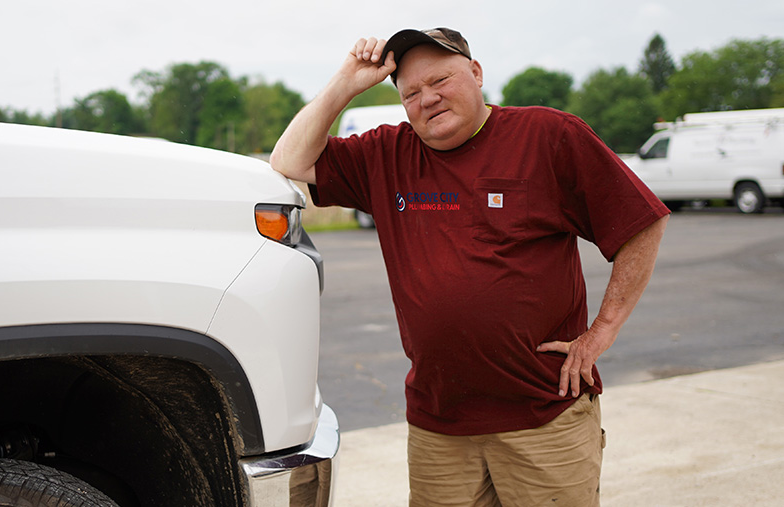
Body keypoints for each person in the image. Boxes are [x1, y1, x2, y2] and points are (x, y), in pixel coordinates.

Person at [270, 27, 670, 506]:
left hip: (543, 419)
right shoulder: (385, 155)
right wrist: (345, 82)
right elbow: (289, 159)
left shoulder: (548, 134)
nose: (429, 99)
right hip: (439, 427)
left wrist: (602, 330)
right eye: (411, 92)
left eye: (441, 80)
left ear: (476, 74)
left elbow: (641, 223)